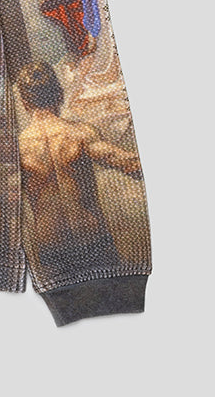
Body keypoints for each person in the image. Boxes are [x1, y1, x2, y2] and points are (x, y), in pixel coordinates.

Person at [15, 60, 141, 279]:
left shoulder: (17, 151)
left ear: (25, 103)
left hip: (51, 248)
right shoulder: (79, 135)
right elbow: (130, 164)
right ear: (59, 95)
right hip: (92, 240)